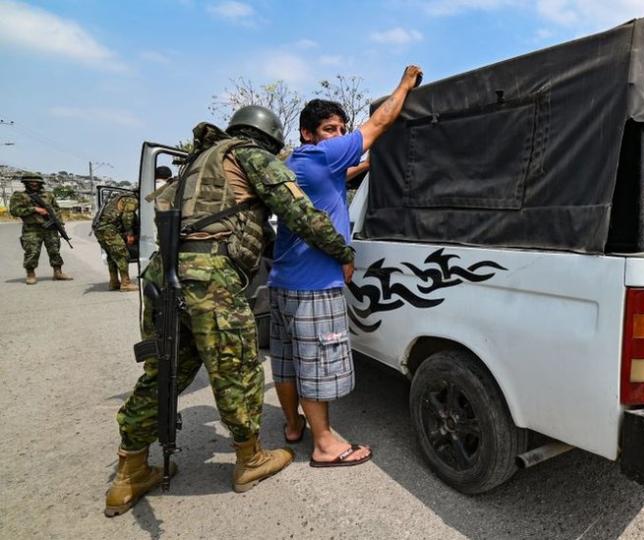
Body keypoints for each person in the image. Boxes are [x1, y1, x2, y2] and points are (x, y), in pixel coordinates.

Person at [104, 105, 357, 516]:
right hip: (211, 278)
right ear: (270, 140)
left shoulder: (196, 163)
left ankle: (129, 470)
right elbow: (301, 212)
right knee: (236, 368)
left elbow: (254, 226)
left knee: (165, 369)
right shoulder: (250, 154)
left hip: (164, 275)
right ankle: (249, 460)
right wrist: (343, 251)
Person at [268, 65, 422, 467]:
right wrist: (404, 85)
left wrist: (368, 165)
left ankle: (291, 426)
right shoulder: (323, 156)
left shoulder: (297, 165)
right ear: (308, 133)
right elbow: (379, 122)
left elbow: (345, 173)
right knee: (316, 365)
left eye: (341, 130)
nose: (338, 136)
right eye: (330, 129)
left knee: (286, 363)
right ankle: (325, 444)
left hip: (282, 283)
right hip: (314, 286)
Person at [93, 169, 153, 291]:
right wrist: (130, 234)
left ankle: (114, 282)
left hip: (100, 228)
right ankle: (125, 283)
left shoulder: (123, 197)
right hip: (108, 229)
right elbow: (127, 217)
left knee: (112, 256)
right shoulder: (132, 200)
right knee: (122, 254)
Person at [8, 173, 72, 284]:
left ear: (40, 183)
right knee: (31, 252)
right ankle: (30, 274)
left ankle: (58, 272)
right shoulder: (19, 196)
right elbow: (14, 211)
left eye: (36, 182)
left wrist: (59, 224)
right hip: (32, 229)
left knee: (55, 250)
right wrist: (34, 209)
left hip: (50, 228)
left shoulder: (49, 195)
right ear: (26, 183)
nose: (33, 183)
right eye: (31, 181)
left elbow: (56, 210)